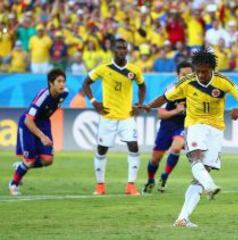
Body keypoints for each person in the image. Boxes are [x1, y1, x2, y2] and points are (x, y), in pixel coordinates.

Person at [143, 49, 238, 227]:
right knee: (196, 158)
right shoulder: (187, 82)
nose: (201, 75)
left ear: (212, 69)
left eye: (205, 71)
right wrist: (149, 105)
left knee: (203, 172)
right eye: (198, 71)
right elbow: (164, 97)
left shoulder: (223, 82)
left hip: (216, 129)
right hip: (194, 125)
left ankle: (182, 218)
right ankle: (210, 186)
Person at [82, 38, 146, 196]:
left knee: (134, 146)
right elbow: (85, 83)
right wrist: (93, 101)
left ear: (127, 50)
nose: (122, 50)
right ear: (113, 50)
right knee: (102, 149)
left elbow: (142, 85)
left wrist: (139, 103)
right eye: (119, 48)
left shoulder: (134, 70)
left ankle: (131, 185)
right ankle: (100, 185)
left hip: (126, 117)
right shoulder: (104, 68)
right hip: (108, 116)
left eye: (124, 48)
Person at [8, 69, 68, 196]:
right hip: (28, 124)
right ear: (51, 83)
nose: (62, 84)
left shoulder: (64, 93)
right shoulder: (42, 97)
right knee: (29, 160)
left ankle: (20, 167)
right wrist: (42, 136)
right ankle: (13, 184)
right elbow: (29, 120)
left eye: (63, 81)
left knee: (48, 160)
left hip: (43, 122)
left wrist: (44, 130)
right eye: (59, 81)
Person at [143, 61, 193, 194]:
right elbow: (161, 114)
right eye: (183, 75)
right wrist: (177, 111)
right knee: (155, 158)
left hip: (182, 126)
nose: (186, 78)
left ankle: (164, 176)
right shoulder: (170, 90)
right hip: (167, 125)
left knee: (177, 147)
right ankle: (150, 180)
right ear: (177, 75)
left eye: (189, 75)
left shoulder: (195, 92)